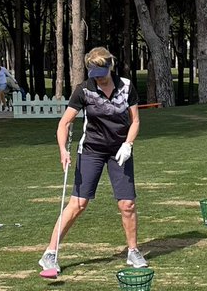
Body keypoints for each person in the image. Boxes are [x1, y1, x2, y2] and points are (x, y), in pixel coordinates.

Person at [38, 46, 146, 277]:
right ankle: (50, 253)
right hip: (91, 150)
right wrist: (62, 150)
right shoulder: (84, 90)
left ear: (110, 67)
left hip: (120, 151)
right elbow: (64, 124)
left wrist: (128, 144)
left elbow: (135, 121)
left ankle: (133, 251)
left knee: (127, 204)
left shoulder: (126, 87)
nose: (99, 80)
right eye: (94, 75)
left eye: (102, 74)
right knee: (78, 204)